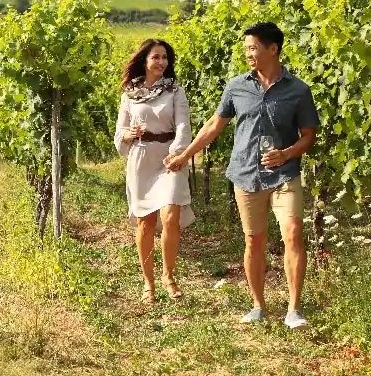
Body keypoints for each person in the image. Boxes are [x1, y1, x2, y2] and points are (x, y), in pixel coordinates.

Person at [164, 22, 319, 328]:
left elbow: (309, 136)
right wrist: (184, 156)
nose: (248, 53)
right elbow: (213, 125)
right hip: (246, 174)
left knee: (293, 233)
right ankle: (258, 305)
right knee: (254, 239)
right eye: (246, 48)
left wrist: (286, 153)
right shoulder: (237, 86)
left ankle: (293, 309)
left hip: (284, 173)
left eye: (253, 48)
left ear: (272, 49)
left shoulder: (299, 91)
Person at [114, 39, 195, 304]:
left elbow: (183, 125)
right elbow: (120, 134)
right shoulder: (129, 94)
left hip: (170, 158)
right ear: (145, 60)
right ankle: (148, 283)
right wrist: (129, 134)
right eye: (156, 57)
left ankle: (168, 276)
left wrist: (178, 153)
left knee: (171, 216)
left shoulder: (175, 91)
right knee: (145, 222)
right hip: (141, 159)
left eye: (165, 58)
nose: (161, 62)